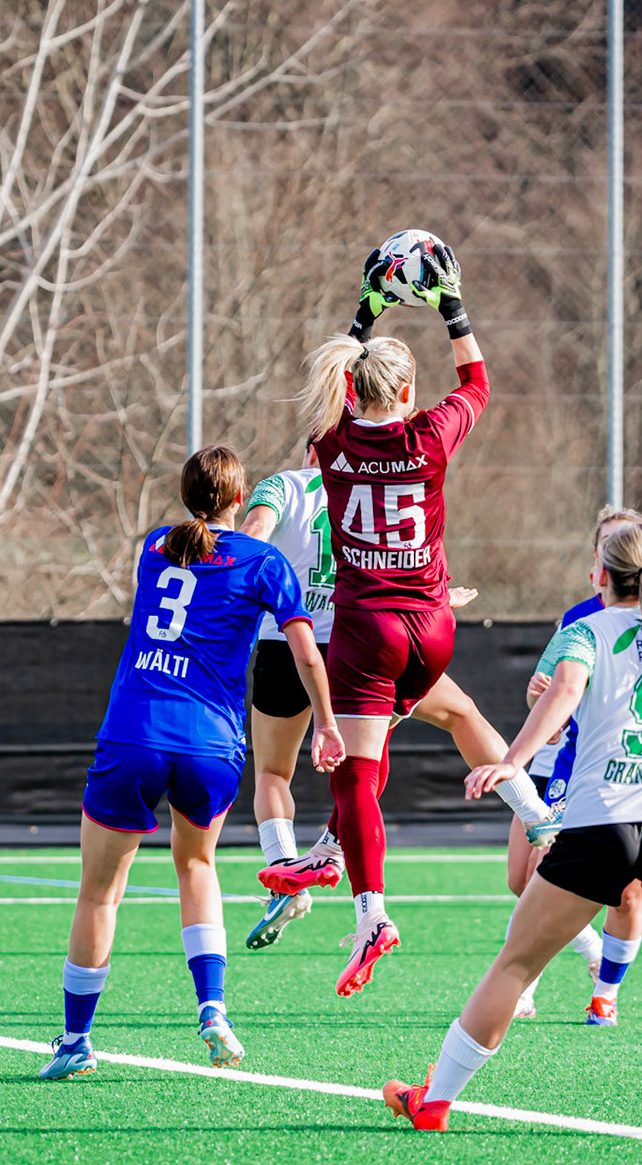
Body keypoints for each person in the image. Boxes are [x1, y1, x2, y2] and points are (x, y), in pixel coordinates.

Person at [381, 521, 642, 1136]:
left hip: (605, 820)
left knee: (514, 965)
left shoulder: (584, 631)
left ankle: (434, 1102)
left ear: (600, 575)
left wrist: (512, 760)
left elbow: (563, 693)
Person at [37, 447, 344, 1080]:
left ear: (187, 496)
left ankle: (74, 1041)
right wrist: (329, 724)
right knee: (196, 865)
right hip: (210, 743)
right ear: (241, 498)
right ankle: (212, 1008)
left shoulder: (156, 547)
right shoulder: (265, 561)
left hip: (134, 733)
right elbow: (308, 656)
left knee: (99, 895)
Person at [258, 240, 491, 997]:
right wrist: (450, 304)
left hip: (367, 629)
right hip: (434, 626)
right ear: (410, 387)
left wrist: (368, 308)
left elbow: (331, 393)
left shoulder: (330, 445)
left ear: (352, 390)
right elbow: (478, 382)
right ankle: (329, 848)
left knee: (354, 773)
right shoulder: (431, 437)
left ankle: (369, 914)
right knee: (382, 736)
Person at [238, 454, 558, 951]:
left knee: (273, 774)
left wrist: (228, 579)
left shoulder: (283, 485)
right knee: (458, 715)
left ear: (308, 451)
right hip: (354, 642)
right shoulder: (378, 491)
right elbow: (402, 566)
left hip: (286, 644)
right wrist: (436, 600)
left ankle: (285, 867)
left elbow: (256, 529)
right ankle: (534, 812)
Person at [510, 506, 642, 1025]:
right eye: (608, 543)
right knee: (523, 876)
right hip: (570, 761)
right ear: (597, 558)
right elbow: (548, 703)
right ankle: (589, 953)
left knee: (625, 889)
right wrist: (538, 699)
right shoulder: (579, 620)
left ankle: (595, 990)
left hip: (633, 770)